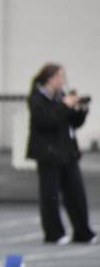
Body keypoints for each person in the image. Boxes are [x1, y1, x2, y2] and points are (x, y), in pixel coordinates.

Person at [26, 63, 96, 245]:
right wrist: (65, 106)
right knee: (50, 195)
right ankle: (54, 233)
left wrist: (80, 110)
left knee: (76, 193)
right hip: (48, 153)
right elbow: (47, 120)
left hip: (68, 152)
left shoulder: (61, 97)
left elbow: (73, 122)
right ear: (50, 78)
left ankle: (83, 231)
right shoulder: (37, 98)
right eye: (60, 77)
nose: (63, 81)